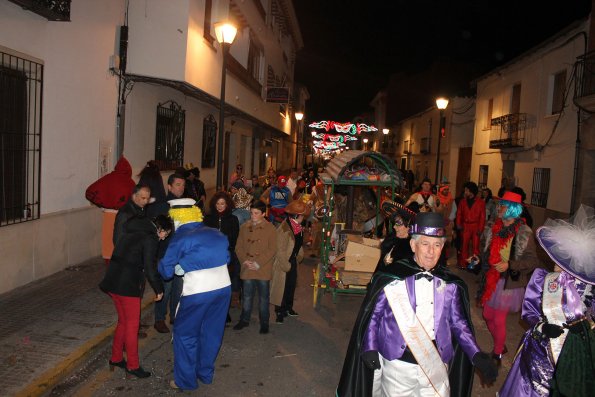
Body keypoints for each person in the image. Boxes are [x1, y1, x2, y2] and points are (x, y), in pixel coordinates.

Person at [336, 212, 498, 397]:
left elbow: (459, 325)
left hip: (436, 367)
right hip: (398, 367)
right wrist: (370, 347)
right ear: (413, 245)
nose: (431, 251)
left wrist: (476, 355)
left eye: (437, 245)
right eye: (425, 244)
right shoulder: (392, 278)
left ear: (443, 247)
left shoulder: (451, 284)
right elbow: (374, 317)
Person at [498, 205, 595, 397]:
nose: (555, 263)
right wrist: (542, 327)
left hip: (573, 355)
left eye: (562, 259)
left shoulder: (589, 288)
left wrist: (585, 327)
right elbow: (529, 312)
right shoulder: (543, 278)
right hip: (540, 349)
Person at [158, 199, 231, 391]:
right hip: (224, 288)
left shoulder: (180, 237)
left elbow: (166, 272)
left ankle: (185, 381)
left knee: (184, 334)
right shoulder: (216, 232)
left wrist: (177, 265)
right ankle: (204, 373)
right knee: (211, 332)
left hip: (198, 291)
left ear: (176, 219)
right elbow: (227, 257)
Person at [99, 214, 173, 378]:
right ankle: (133, 365)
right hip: (128, 286)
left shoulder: (131, 230)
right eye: (164, 234)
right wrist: (159, 289)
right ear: (159, 229)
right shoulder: (150, 238)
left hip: (112, 282)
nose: (162, 239)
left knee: (123, 322)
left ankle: (116, 358)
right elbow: (150, 267)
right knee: (132, 326)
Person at [479, 191, 540, 367]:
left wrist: (510, 265)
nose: (499, 208)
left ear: (512, 209)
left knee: (498, 319)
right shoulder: (494, 227)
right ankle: (501, 344)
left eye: (503, 205)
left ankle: (497, 352)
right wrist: (478, 259)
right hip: (492, 279)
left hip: (510, 282)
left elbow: (533, 261)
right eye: (500, 205)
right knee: (487, 315)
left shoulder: (524, 233)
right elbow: (486, 251)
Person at [233, 200, 277, 334]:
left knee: (264, 297)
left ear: (264, 214)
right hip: (247, 266)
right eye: (251, 213)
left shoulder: (271, 228)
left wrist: (258, 263)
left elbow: (272, 249)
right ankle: (244, 319)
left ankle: (264, 322)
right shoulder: (244, 227)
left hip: (262, 268)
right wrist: (244, 261)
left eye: (256, 213)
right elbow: (238, 247)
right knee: (246, 295)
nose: (253, 216)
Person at [85, 156, 136, 265]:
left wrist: (101, 203)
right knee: (122, 242)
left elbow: (90, 191)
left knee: (108, 243)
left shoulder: (108, 178)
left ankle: (109, 267)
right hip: (125, 216)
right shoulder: (129, 182)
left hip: (108, 215)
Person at [152, 173, 186, 334]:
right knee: (165, 289)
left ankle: (175, 315)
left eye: (183, 185)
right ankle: (159, 319)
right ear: (169, 187)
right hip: (165, 254)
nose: (181, 187)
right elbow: (155, 231)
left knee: (178, 289)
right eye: (178, 184)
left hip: (181, 255)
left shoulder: (186, 206)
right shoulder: (162, 207)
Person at [204, 191, 241, 315]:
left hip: (227, 255)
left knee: (226, 283)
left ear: (227, 205)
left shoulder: (233, 219)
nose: (220, 206)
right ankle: (213, 308)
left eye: (222, 203)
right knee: (213, 284)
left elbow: (235, 238)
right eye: (218, 203)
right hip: (211, 256)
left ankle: (226, 309)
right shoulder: (208, 219)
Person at [272, 199, 309, 324]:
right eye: (302, 215)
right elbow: (279, 250)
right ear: (297, 216)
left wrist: (298, 256)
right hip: (284, 262)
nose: (304, 217)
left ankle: (288, 307)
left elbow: (297, 243)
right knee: (281, 288)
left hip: (292, 260)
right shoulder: (284, 229)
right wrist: (286, 265)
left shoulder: (297, 226)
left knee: (291, 286)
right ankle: (279, 312)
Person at [373, 200, 418, 274]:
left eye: (398, 223)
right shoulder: (391, 243)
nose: (394, 226)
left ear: (409, 226)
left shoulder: (412, 252)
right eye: (394, 223)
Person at [456, 181, 486, 269]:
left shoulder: (481, 202)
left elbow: (482, 217)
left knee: (475, 247)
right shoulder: (462, 202)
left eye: (466, 190)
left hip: (476, 226)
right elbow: (459, 214)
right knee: (464, 246)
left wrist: (480, 229)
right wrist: (458, 224)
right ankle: (463, 264)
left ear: (471, 191)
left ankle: (474, 265)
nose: (465, 192)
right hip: (465, 226)